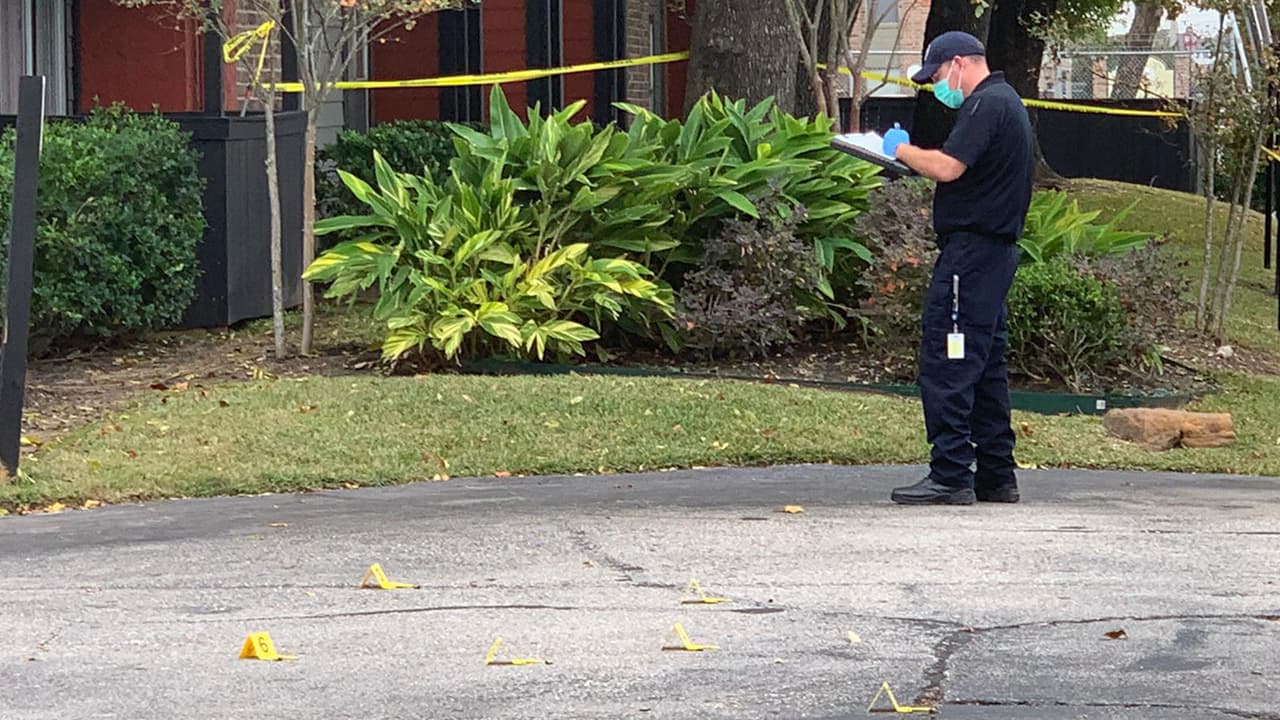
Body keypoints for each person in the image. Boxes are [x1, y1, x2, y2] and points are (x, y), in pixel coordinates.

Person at [880, 31, 1034, 505]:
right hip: (993, 254)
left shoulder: (985, 104)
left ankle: (949, 473)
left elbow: (948, 167)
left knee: (949, 357)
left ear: (961, 63)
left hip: (970, 257)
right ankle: (995, 474)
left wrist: (897, 151)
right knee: (985, 363)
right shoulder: (1008, 103)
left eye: (939, 74)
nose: (939, 86)